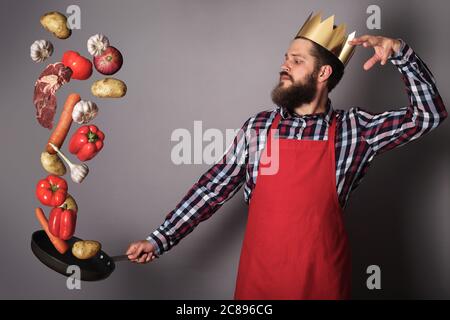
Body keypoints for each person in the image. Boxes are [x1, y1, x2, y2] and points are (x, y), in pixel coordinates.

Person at [126, 12, 447, 299]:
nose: (284, 65)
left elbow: (428, 116)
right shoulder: (260, 127)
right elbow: (213, 188)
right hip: (259, 284)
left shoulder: (356, 129)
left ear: (322, 73)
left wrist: (402, 55)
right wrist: (159, 239)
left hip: (322, 283)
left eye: (296, 60)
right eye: (285, 57)